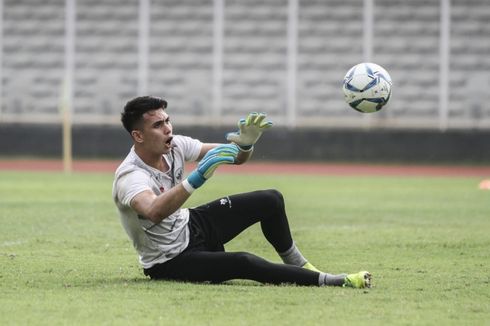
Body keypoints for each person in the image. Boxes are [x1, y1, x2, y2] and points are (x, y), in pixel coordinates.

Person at [112, 95, 371, 288]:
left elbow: (234, 156)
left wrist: (246, 145)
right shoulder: (130, 175)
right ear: (138, 136)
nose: (168, 128)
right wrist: (197, 177)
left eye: (167, 120)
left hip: (191, 225)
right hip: (170, 260)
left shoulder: (177, 145)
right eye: (158, 125)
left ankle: (300, 265)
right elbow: (154, 211)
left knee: (270, 200)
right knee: (244, 262)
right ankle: (334, 281)